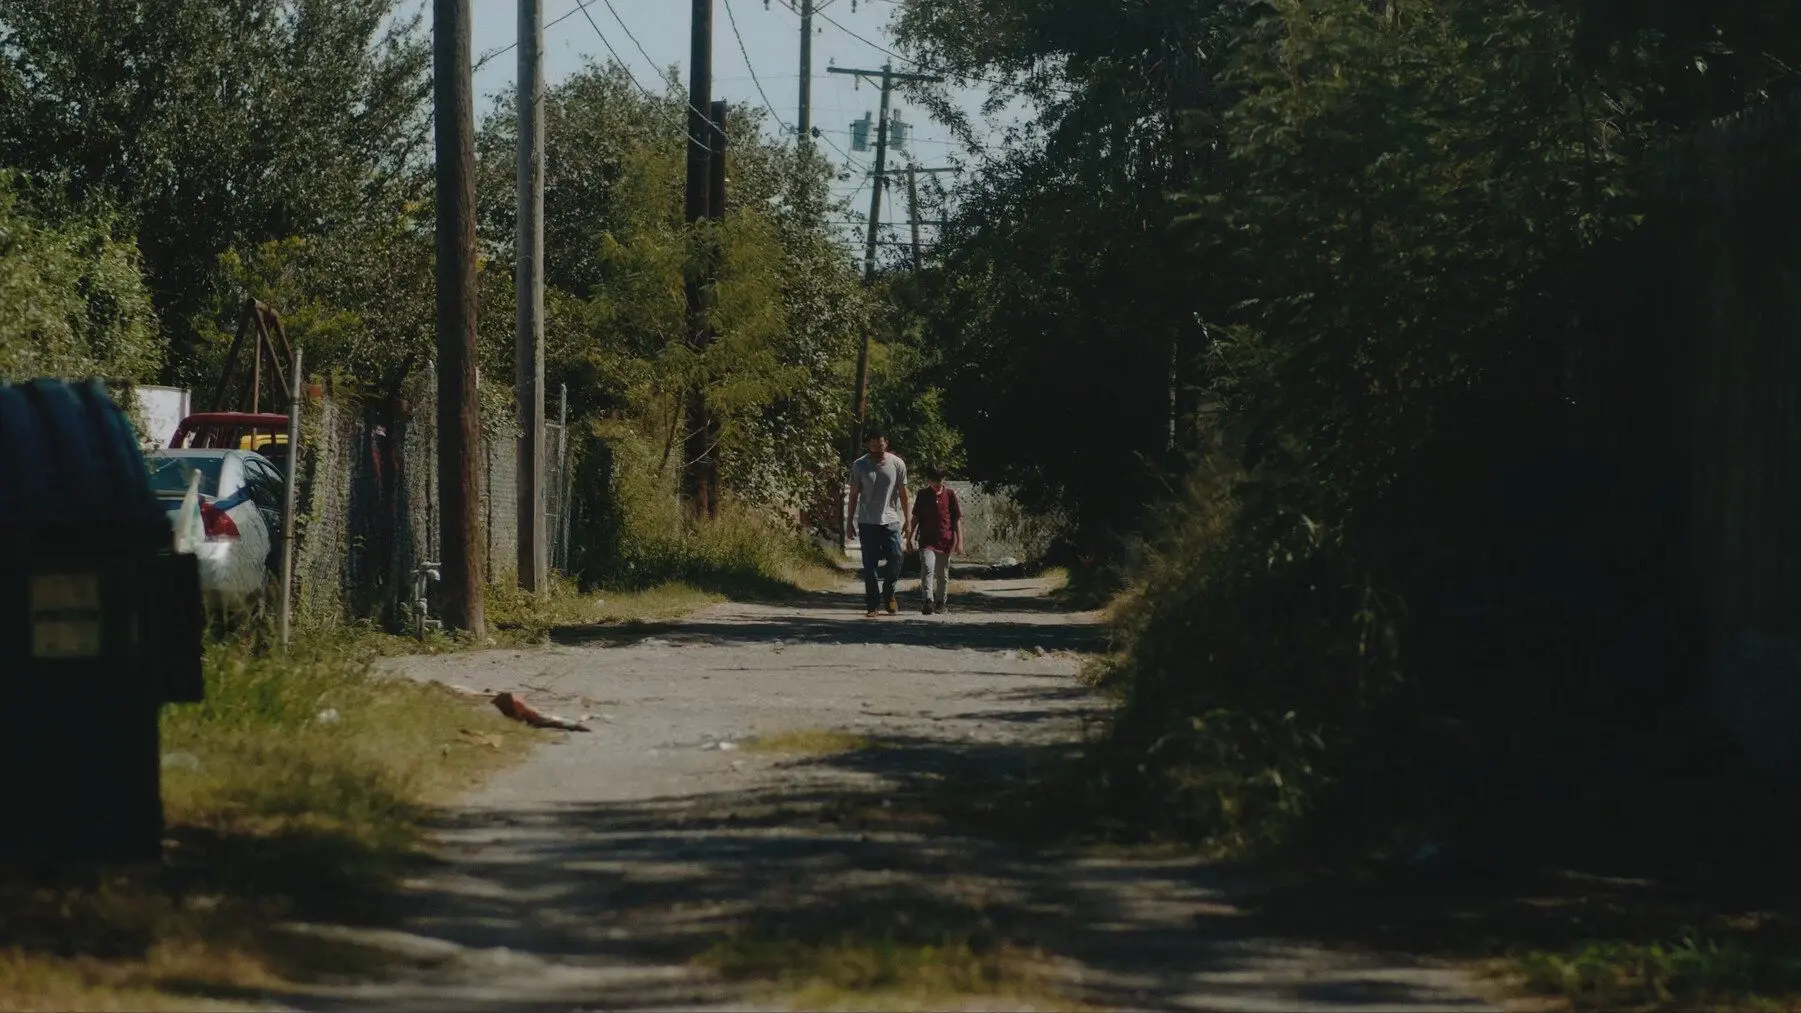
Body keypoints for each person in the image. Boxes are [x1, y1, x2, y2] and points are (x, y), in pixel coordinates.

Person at [846, 432, 909, 617]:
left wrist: (908, 520)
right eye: (873, 446)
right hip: (867, 521)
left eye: (880, 445)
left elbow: (904, 494)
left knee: (897, 557)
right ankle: (873, 605)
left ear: (886, 443)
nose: (877, 449)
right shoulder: (859, 465)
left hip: (891, 520)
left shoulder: (897, 464)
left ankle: (889, 592)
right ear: (868, 446)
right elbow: (853, 495)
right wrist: (849, 522)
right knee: (870, 565)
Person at [905, 463, 963, 615]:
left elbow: (956, 519)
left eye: (941, 479)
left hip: (945, 541)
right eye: (934, 480)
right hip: (926, 541)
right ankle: (927, 601)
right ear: (928, 480)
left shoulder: (950, 494)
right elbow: (915, 517)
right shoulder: (923, 494)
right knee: (927, 569)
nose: (938, 483)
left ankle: (940, 602)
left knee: (942, 574)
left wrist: (960, 542)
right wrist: (909, 537)